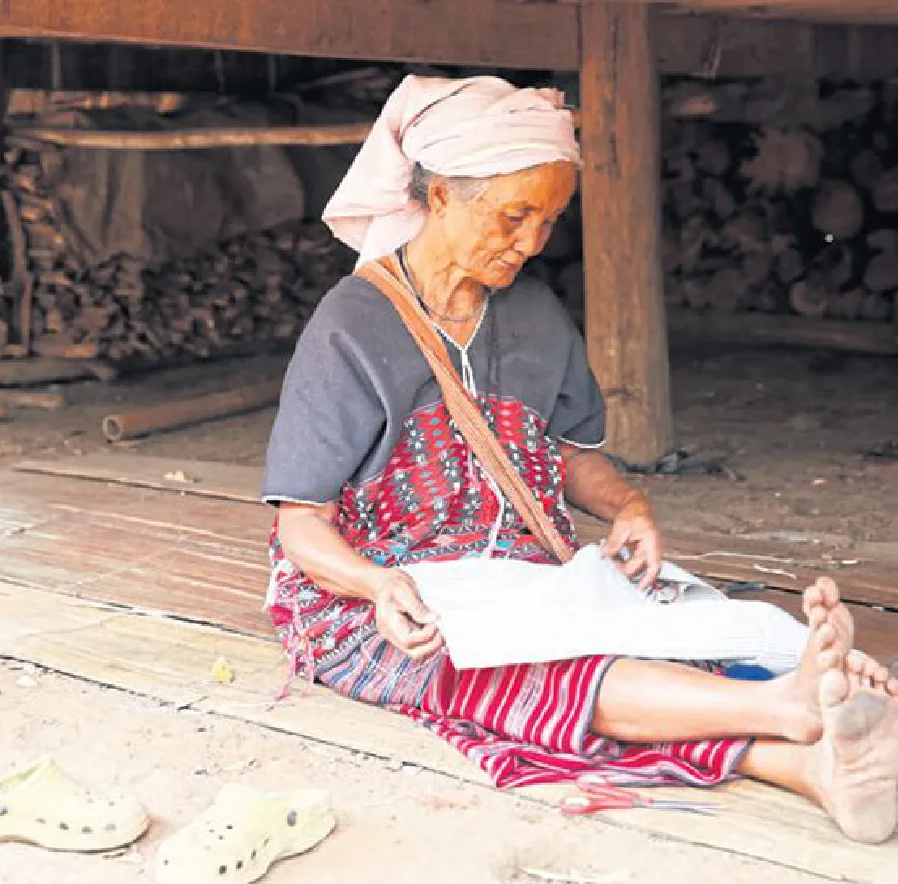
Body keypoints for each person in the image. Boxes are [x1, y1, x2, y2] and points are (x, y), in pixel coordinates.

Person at [261, 75, 898, 844]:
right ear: (438, 198)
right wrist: (378, 583)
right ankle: (790, 708)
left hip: (519, 569)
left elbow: (566, 457)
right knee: (514, 669)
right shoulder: (350, 326)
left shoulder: (534, 313)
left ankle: (812, 763)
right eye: (513, 215)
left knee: (685, 623)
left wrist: (629, 506)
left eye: (549, 220)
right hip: (378, 602)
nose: (531, 242)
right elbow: (302, 525)